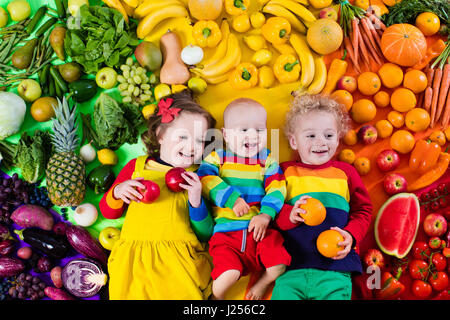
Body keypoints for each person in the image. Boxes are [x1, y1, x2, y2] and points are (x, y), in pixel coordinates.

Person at [99, 90, 216, 300]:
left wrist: (196, 200)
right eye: (183, 137)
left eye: (200, 141)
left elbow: (206, 233)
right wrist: (118, 192)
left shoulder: (198, 175)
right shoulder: (139, 166)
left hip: (178, 263)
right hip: (135, 262)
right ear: (161, 136)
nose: (191, 146)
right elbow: (108, 212)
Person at [271, 93, 372, 300]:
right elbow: (271, 209)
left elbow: (363, 210)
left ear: (338, 139)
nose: (320, 141)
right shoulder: (283, 172)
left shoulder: (346, 173)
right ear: (293, 141)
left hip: (335, 269)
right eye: (310, 136)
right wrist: (290, 215)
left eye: (329, 135)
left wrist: (351, 236)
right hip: (291, 269)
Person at [197, 98, 291, 300]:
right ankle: (218, 298)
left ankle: (262, 282)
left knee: (279, 265)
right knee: (228, 275)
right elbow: (204, 178)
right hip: (227, 236)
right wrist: (232, 199)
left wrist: (266, 215)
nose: (253, 136)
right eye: (244, 130)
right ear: (226, 134)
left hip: (261, 233)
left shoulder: (267, 160)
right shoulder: (218, 157)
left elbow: (277, 187)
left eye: (259, 130)